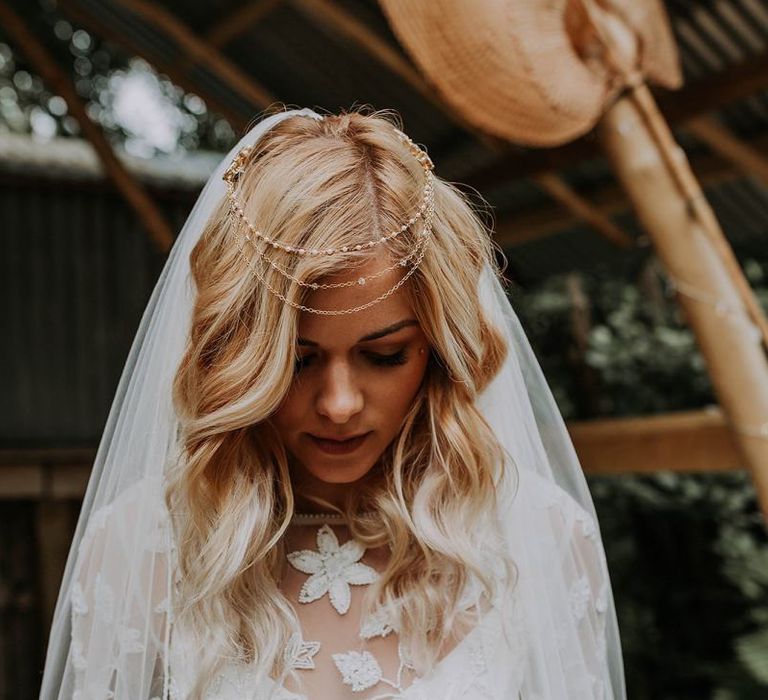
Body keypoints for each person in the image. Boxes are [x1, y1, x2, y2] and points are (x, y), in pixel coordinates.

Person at [39, 107, 626, 699]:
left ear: (439, 352)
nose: (339, 404)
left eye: (386, 355)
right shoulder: (140, 551)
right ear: (237, 357)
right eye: (296, 361)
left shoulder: (543, 539)